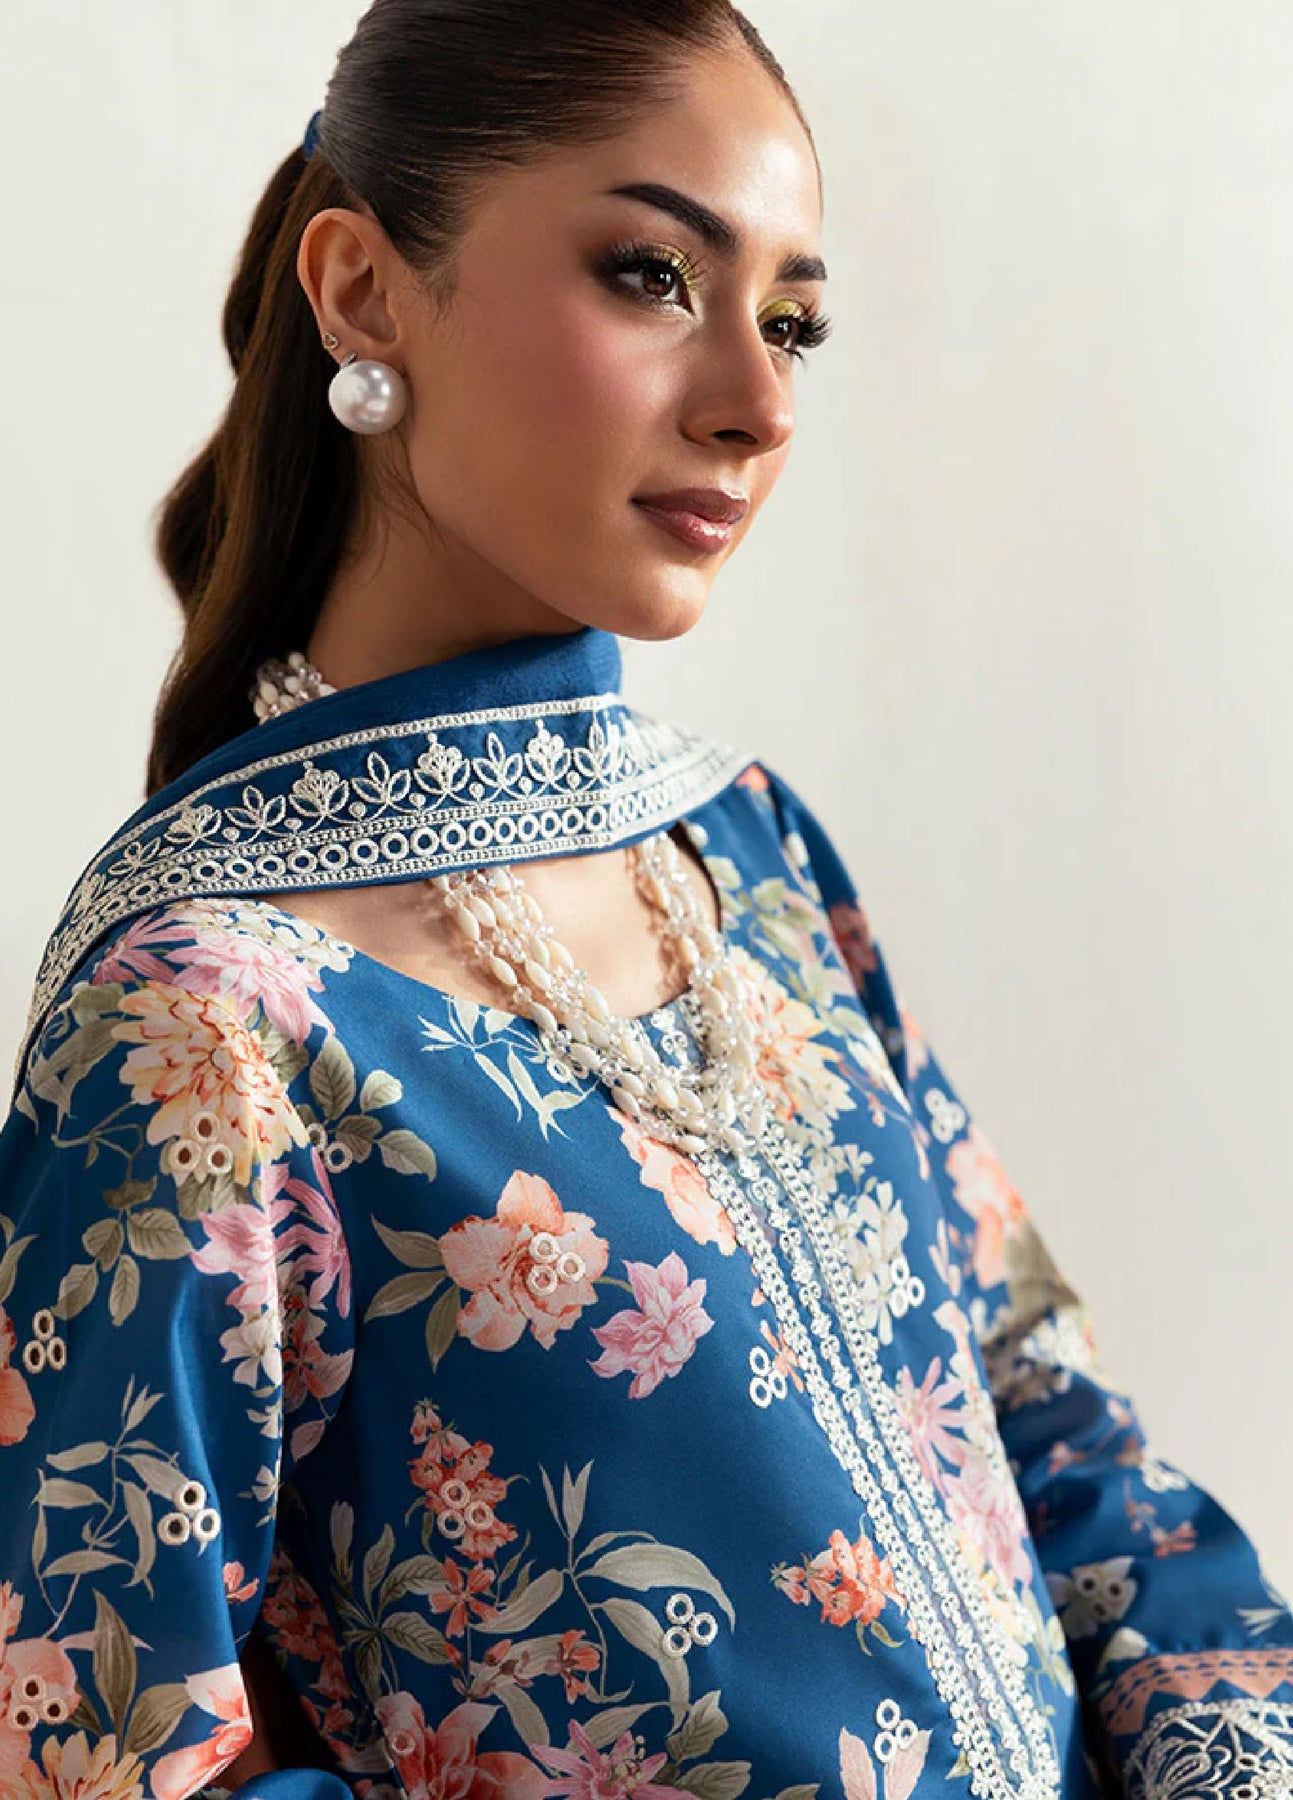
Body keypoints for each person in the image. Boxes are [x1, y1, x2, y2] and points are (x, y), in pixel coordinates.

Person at [2, 2, 1290, 1796]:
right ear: (364, 292)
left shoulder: (745, 859)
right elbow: (104, 1754)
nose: (759, 403)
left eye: (791, 321)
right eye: (651, 276)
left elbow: (1049, 1417)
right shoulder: (206, 1022)